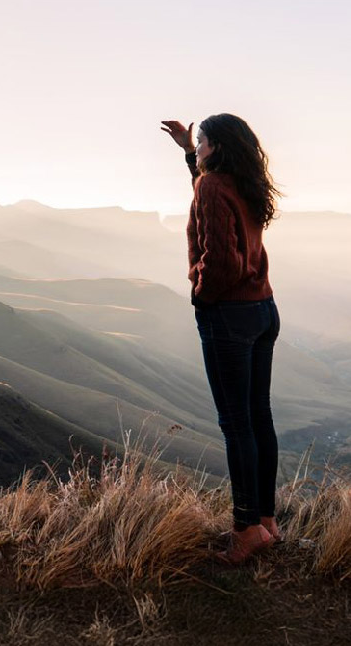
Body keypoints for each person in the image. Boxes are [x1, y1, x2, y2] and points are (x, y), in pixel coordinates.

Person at [161, 115, 282, 565]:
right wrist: (188, 152)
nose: (199, 146)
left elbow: (222, 260)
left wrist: (201, 293)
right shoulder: (245, 182)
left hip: (229, 314)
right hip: (263, 308)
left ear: (218, 146)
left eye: (202, 141)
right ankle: (265, 521)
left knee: (236, 425)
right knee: (258, 417)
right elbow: (208, 194)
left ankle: (245, 531)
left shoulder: (213, 186)